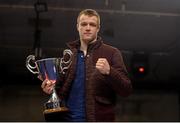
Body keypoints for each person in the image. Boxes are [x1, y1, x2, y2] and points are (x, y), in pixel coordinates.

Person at [41, 9, 132, 122]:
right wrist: (49, 88)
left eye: (92, 25)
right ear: (78, 26)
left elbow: (126, 90)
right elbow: (59, 90)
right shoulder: (68, 56)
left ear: (98, 28)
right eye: (84, 24)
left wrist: (110, 72)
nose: (88, 28)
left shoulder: (112, 53)